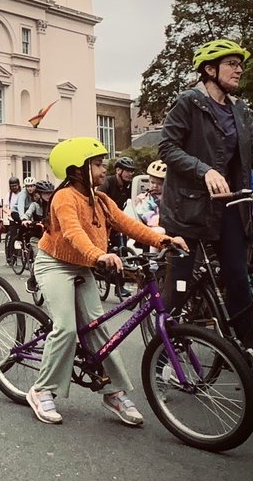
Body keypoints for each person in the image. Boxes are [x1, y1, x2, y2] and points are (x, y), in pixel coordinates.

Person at [25, 137, 188, 427]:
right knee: (65, 328)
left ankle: (113, 391)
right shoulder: (64, 198)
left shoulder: (99, 199)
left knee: (99, 330)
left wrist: (164, 239)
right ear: (77, 169)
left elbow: (130, 225)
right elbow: (74, 234)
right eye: (98, 165)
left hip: (83, 265)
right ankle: (41, 389)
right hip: (55, 265)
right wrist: (99, 255)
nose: (104, 170)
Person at [158, 39, 253, 348]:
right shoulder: (188, 102)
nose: (239, 69)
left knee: (238, 279)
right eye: (232, 63)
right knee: (179, 284)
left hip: (229, 208)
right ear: (209, 69)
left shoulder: (240, 110)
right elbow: (167, 147)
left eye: (240, 64)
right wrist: (205, 170)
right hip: (188, 210)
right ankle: (165, 358)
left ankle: (244, 354)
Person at [124, 159, 166, 228]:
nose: (155, 186)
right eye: (152, 182)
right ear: (149, 181)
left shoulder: (171, 196)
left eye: (160, 184)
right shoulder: (146, 198)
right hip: (155, 227)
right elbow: (146, 214)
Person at [6, 176, 37, 263]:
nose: (30, 188)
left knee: (30, 230)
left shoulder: (36, 194)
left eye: (31, 186)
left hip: (27, 213)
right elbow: (20, 207)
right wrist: (23, 218)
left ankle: (28, 250)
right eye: (28, 186)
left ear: (35, 186)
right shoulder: (23, 194)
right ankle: (18, 240)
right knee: (23, 225)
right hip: (16, 212)